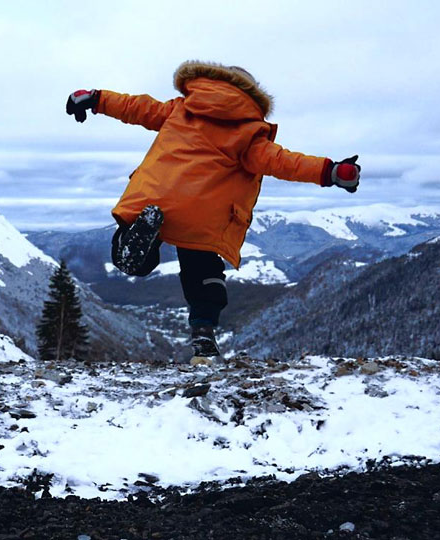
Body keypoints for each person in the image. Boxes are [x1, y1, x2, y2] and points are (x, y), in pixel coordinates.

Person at [66, 60, 360, 364]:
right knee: (203, 273)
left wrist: (95, 98)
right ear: (252, 97)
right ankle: (203, 337)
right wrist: (332, 171)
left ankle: (137, 243)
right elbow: (283, 161)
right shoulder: (248, 133)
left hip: (158, 197)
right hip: (202, 216)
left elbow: (138, 107)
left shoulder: (181, 109)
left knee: (132, 260)